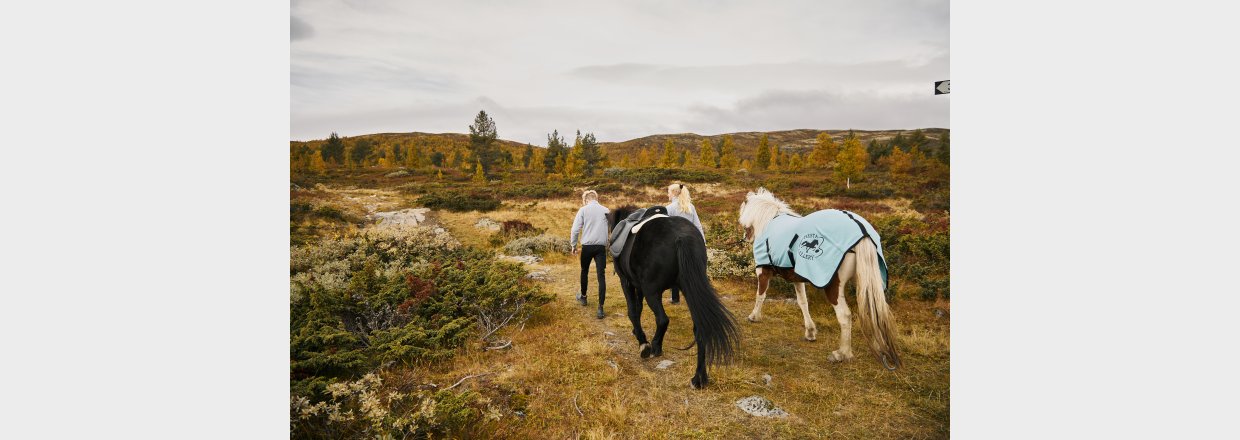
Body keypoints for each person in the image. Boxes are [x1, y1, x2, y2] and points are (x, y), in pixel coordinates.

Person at [570, 189, 610, 319]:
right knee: (601, 276)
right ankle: (600, 308)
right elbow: (611, 229)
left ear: (586, 199)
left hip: (587, 246)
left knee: (584, 271)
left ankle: (583, 297)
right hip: (601, 247)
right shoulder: (606, 210)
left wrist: (573, 245)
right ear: (596, 198)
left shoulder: (583, 210)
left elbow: (575, 229)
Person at [665, 183, 704, 303]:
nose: (667, 195)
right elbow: (697, 225)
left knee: (675, 270)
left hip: (675, 244)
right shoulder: (690, 207)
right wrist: (702, 242)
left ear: (674, 193)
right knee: (693, 271)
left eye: (668, 192)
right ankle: (696, 296)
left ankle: (675, 298)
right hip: (692, 242)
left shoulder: (669, 208)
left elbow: (666, 229)